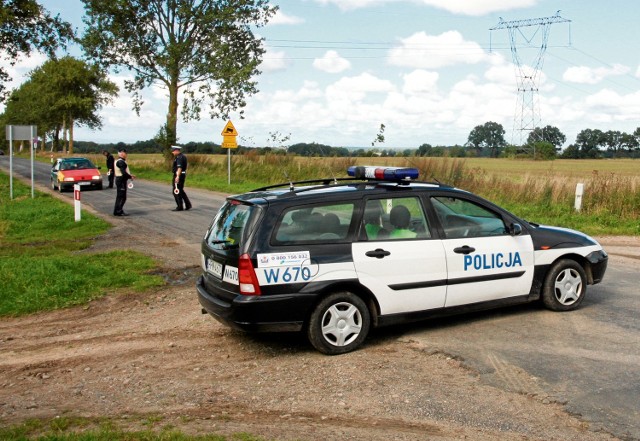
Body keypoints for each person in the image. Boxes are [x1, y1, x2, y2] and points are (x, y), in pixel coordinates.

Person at [113, 148, 135, 216]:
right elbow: (123, 173)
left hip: (120, 179)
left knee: (121, 196)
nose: (123, 154)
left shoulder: (119, 161)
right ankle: (118, 211)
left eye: (124, 152)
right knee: (122, 197)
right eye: (121, 152)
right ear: (119, 154)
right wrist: (130, 176)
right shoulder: (121, 162)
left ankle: (117, 210)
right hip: (121, 180)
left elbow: (123, 172)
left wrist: (129, 175)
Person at [171, 145, 192, 211]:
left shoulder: (179, 157)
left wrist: (177, 176)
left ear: (177, 150)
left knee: (176, 191)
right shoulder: (183, 156)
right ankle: (188, 205)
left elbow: (179, 168)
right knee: (181, 190)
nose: (172, 152)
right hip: (182, 175)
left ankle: (180, 206)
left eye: (173, 151)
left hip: (179, 175)